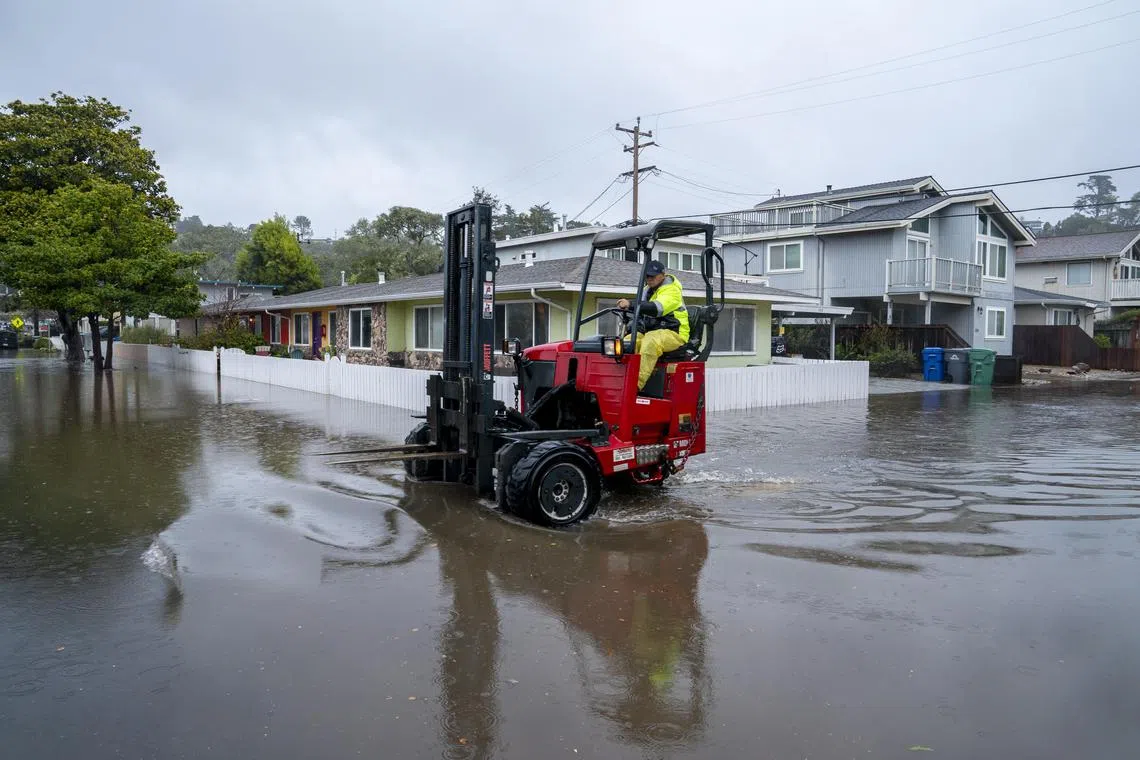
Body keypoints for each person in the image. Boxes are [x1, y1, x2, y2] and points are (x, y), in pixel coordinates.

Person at [616, 260, 689, 391]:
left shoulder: (672, 290)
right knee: (625, 342)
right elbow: (642, 313)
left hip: (674, 333)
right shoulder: (647, 290)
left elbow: (657, 308)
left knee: (651, 341)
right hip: (653, 330)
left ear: (663, 275)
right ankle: (617, 381)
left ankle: (634, 387)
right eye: (647, 276)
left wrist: (631, 304)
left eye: (652, 276)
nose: (649, 279)